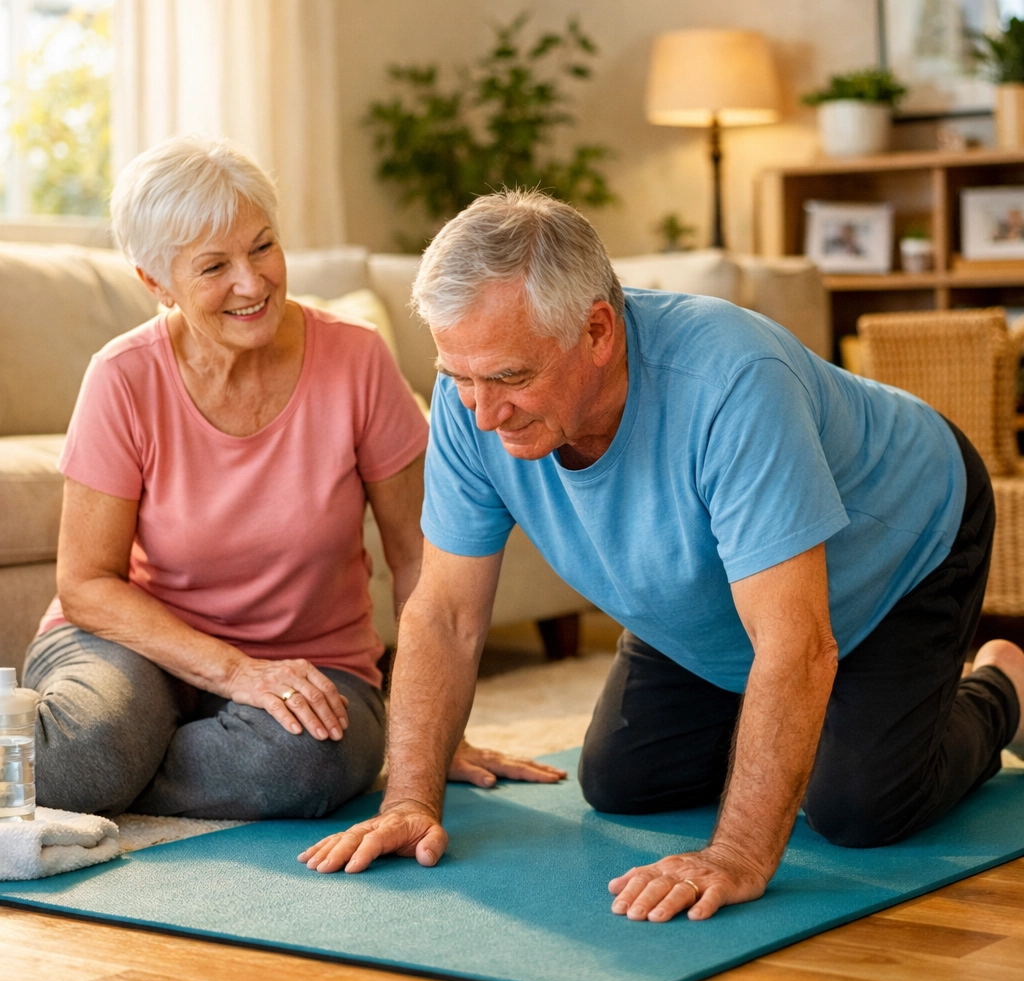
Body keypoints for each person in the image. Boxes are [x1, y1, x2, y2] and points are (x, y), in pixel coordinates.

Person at [300, 189, 1024, 922]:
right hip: (714, 587)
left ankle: (1003, 687)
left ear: (598, 330)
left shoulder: (732, 381)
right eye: (459, 377)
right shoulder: (472, 406)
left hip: (902, 540)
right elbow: (446, 611)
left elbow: (798, 644)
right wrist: (410, 800)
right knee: (623, 782)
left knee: (856, 806)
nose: (483, 413)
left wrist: (738, 852)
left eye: (510, 378)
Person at [23, 135, 437, 820]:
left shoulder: (357, 361)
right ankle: (96, 755)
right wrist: (235, 674)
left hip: (312, 660)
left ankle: (106, 766)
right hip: (135, 645)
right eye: (215, 266)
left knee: (307, 762)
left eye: (264, 247)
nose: (253, 282)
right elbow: (86, 583)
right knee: (85, 749)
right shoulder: (124, 376)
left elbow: (420, 554)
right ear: (155, 284)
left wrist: (438, 732)